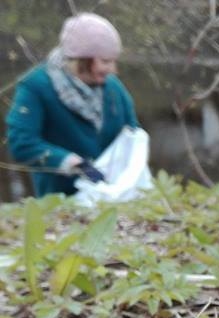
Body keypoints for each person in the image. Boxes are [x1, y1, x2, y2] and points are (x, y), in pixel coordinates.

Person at [5, 12, 139, 197]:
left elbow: (132, 133)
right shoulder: (35, 86)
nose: (113, 70)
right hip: (59, 203)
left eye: (113, 61)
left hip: (113, 197)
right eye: (106, 61)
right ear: (83, 60)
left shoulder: (114, 88)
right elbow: (22, 144)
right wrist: (73, 163)